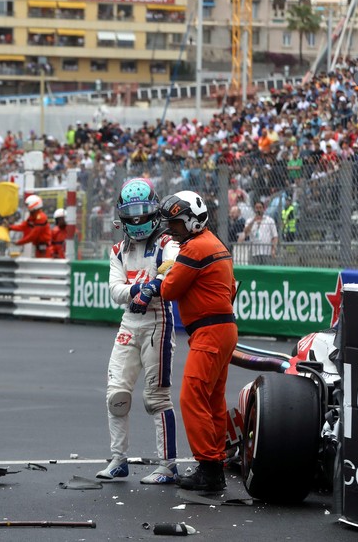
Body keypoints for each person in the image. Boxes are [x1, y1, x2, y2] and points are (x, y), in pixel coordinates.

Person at [132, 190, 237, 491]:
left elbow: (170, 290)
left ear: (192, 221)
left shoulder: (193, 249)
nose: (170, 229)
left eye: (175, 224)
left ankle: (209, 467)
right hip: (223, 328)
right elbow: (229, 289)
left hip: (210, 331)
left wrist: (167, 271)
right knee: (212, 399)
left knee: (191, 398)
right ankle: (214, 464)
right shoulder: (213, 243)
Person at [96, 178, 180, 485]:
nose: (136, 218)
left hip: (159, 320)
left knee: (156, 398)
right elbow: (115, 291)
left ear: (154, 210)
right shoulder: (118, 250)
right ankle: (118, 459)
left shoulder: (167, 242)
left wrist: (149, 290)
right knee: (116, 393)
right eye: (131, 212)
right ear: (121, 215)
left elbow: (173, 270)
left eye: (143, 210)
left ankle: (168, 465)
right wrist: (142, 288)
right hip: (130, 321)